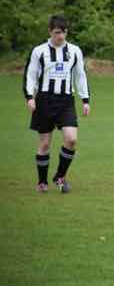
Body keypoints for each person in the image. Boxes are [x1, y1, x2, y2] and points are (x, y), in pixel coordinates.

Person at [23, 15, 90, 193]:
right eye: (57, 32)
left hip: (66, 101)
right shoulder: (39, 51)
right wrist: (29, 97)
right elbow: (30, 75)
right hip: (44, 100)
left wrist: (85, 100)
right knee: (45, 144)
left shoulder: (74, 51)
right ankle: (42, 182)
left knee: (71, 139)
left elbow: (80, 75)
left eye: (64, 32)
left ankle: (59, 177)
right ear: (50, 32)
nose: (61, 36)